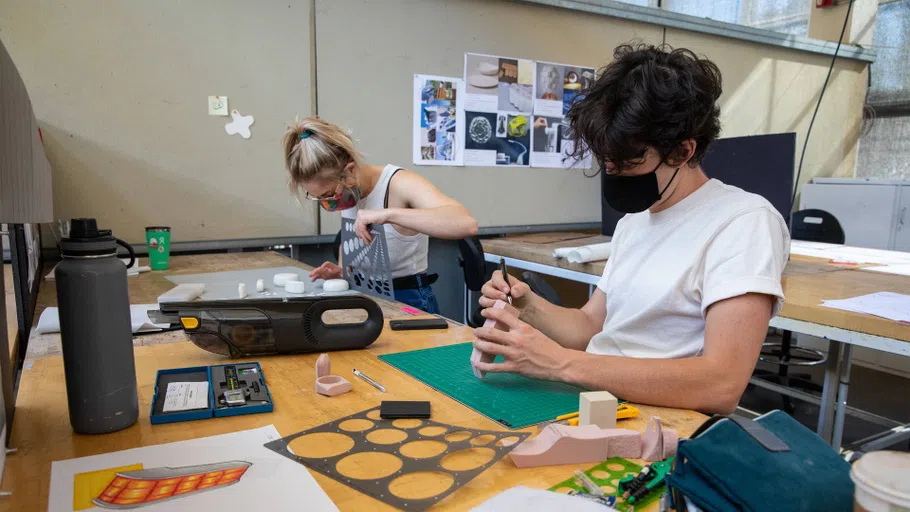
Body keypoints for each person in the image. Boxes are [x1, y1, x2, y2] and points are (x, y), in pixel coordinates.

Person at [472, 44, 790, 415]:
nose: (612, 173)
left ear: (683, 151)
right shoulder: (635, 221)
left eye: (627, 162)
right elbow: (591, 326)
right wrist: (528, 307)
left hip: (661, 418)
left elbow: (720, 384)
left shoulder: (744, 222)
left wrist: (560, 363)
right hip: (598, 400)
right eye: (606, 160)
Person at [282, 116, 478, 314]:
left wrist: (388, 214)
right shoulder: (349, 191)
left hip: (408, 300)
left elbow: (465, 223)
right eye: (319, 198)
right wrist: (343, 272)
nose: (328, 204)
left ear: (349, 171)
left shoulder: (399, 183)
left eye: (329, 195)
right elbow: (350, 239)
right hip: (365, 294)